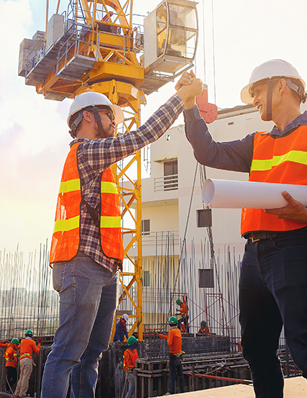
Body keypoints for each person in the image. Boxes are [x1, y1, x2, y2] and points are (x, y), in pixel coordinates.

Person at [182, 59, 307, 398]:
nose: (254, 99)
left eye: (257, 92)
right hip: (255, 255)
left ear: (281, 86)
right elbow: (207, 151)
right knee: (257, 351)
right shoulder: (257, 141)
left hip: (298, 249)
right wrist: (189, 106)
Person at [41, 74, 204, 398]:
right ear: (88, 116)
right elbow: (143, 136)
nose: (115, 122)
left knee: (92, 354)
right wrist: (180, 98)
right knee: (67, 353)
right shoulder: (86, 151)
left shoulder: (100, 160)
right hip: (80, 262)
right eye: (109, 116)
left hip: (104, 266)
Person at [155, 316, 185, 394]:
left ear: (169, 324)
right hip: (179, 356)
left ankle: (171, 392)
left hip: (173, 357)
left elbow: (169, 342)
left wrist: (167, 338)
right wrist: (160, 336)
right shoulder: (178, 331)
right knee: (180, 375)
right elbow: (169, 338)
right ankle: (183, 391)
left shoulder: (171, 332)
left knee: (172, 376)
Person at [15, 330, 41, 397]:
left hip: (21, 360)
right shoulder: (32, 342)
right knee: (26, 377)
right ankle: (22, 394)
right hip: (28, 360)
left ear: (25, 335)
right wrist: (39, 343)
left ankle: (16, 392)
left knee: (21, 377)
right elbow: (37, 351)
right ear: (31, 336)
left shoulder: (22, 341)